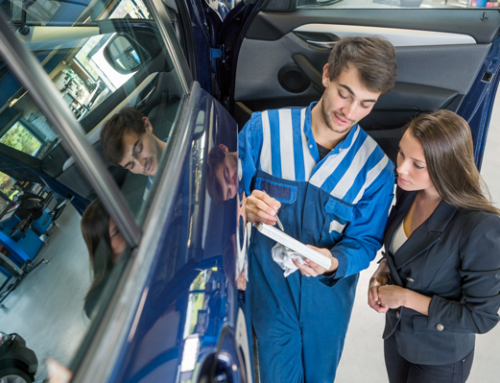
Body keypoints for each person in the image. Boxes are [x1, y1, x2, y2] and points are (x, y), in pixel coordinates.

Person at [239, 36, 398, 382]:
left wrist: (333, 261)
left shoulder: (377, 171)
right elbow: (223, 198)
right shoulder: (263, 131)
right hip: (271, 296)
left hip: (327, 304)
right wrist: (244, 206)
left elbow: (366, 242)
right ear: (327, 74)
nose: (350, 112)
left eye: (366, 104)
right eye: (344, 93)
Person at [367, 110, 500, 383]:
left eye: (418, 164)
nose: (401, 168)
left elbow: (481, 317)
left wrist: (404, 298)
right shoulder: (409, 191)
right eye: (402, 153)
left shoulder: (480, 227)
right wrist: (381, 272)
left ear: (445, 166)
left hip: (440, 356)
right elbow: (403, 252)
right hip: (398, 336)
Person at [100, 107, 167, 201]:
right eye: (131, 165)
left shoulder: (190, 139)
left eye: (139, 151)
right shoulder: (152, 202)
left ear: (147, 126)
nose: (141, 165)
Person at [81, 199, 126, 318]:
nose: (126, 228)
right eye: (116, 232)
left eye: (124, 219)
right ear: (103, 247)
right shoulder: (97, 301)